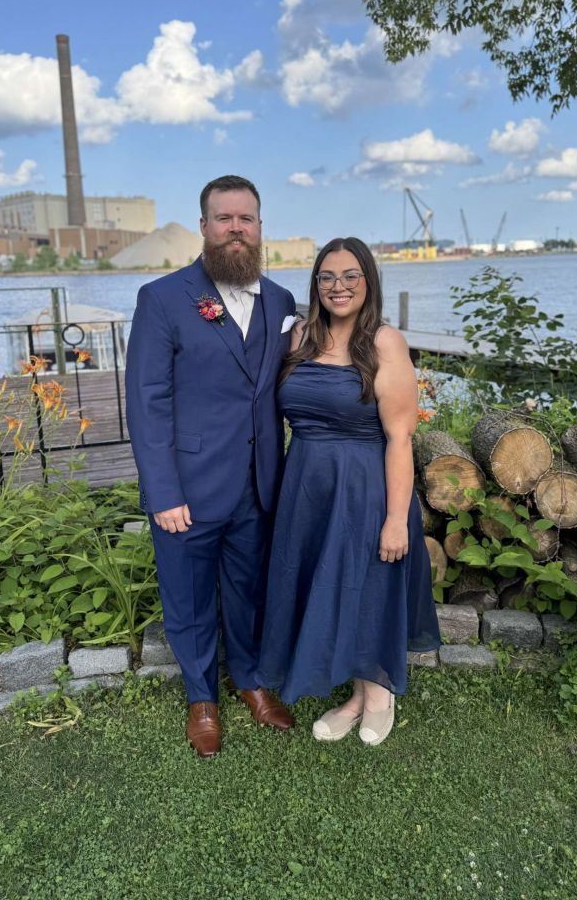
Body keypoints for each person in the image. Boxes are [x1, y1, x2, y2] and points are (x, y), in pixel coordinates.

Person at [125, 175, 297, 758]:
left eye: (245, 218)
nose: (235, 229)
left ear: (258, 226)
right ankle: (202, 698)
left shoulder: (280, 302)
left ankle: (249, 679)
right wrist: (163, 492)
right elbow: (147, 404)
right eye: (223, 218)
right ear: (203, 227)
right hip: (189, 490)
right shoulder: (163, 298)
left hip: (258, 484)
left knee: (248, 591)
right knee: (190, 598)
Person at [257, 236, 440, 746]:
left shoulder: (384, 343)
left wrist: (394, 517)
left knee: (367, 585)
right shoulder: (297, 340)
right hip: (308, 483)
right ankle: (357, 696)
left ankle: (379, 693)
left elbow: (401, 437)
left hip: (365, 485)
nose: (338, 286)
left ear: (368, 282)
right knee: (331, 582)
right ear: (315, 285)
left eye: (350, 276)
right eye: (327, 277)